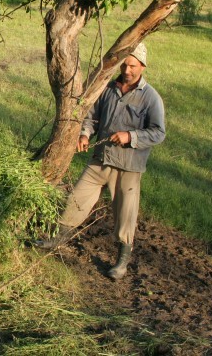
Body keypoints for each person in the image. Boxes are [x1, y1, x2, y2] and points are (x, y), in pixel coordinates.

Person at [36, 43, 166, 280]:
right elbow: (92, 116)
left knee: (125, 214)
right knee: (77, 198)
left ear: (143, 67)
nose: (127, 70)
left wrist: (131, 137)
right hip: (99, 159)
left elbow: (158, 132)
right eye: (125, 65)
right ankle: (56, 239)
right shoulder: (107, 88)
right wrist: (85, 134)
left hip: (128, 165)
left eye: (133, 66)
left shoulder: (151, 98)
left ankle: (121, 262)